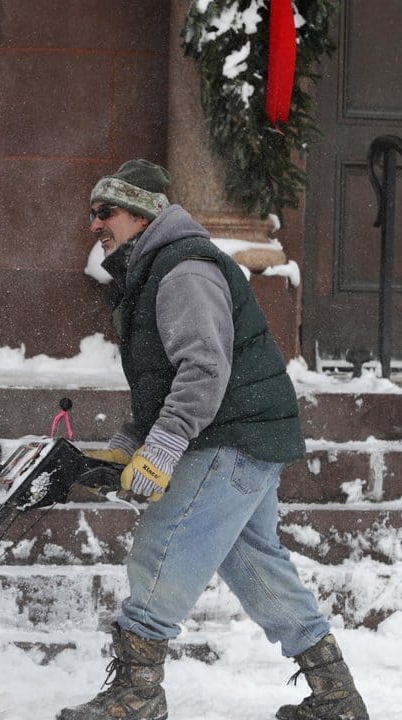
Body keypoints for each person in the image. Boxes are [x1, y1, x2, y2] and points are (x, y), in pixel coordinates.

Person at [57, 160, 370, 720]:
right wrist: (130, 443)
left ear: (141, 214)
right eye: (92, 213)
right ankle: (337, 699)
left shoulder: (183, 272)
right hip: (245, 434)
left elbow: (203, 371)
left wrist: (161, 448)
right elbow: (164, 382)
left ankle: (138, 697)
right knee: (257, 567)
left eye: (105, 213)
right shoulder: (155, 270)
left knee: (162, 549)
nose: (94, 225)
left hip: (228, 437)